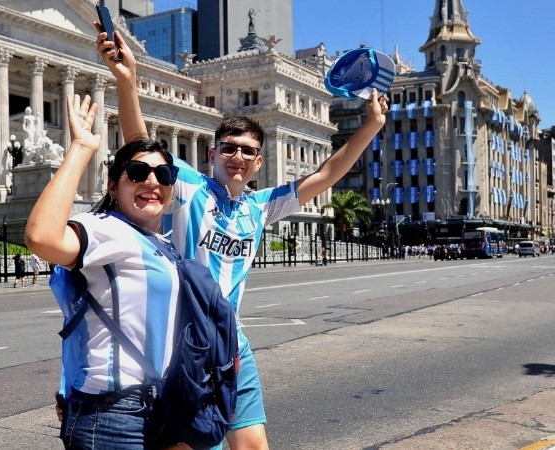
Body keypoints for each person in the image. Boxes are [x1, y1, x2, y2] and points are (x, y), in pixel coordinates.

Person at [96, 28, 388, 450]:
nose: (237, 157)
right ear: (212, 154)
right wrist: (128, 81)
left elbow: (326, 174)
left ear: (258, 162)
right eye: (228, 148)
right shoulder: (189, 189)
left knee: (253, 445)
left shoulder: (261, 206)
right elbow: (140, 144)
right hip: (184, 348)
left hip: (233, 343)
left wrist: (371, 126)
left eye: (247, 151)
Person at [25, 94, 188, 449]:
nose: (152, 181)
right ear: (113, 185)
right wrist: (82, 148)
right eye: (137, 172)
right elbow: (41, 236)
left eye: (163, 174)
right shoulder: (106, 229)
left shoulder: (160, 243)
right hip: (113, 414)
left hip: (158, 406)